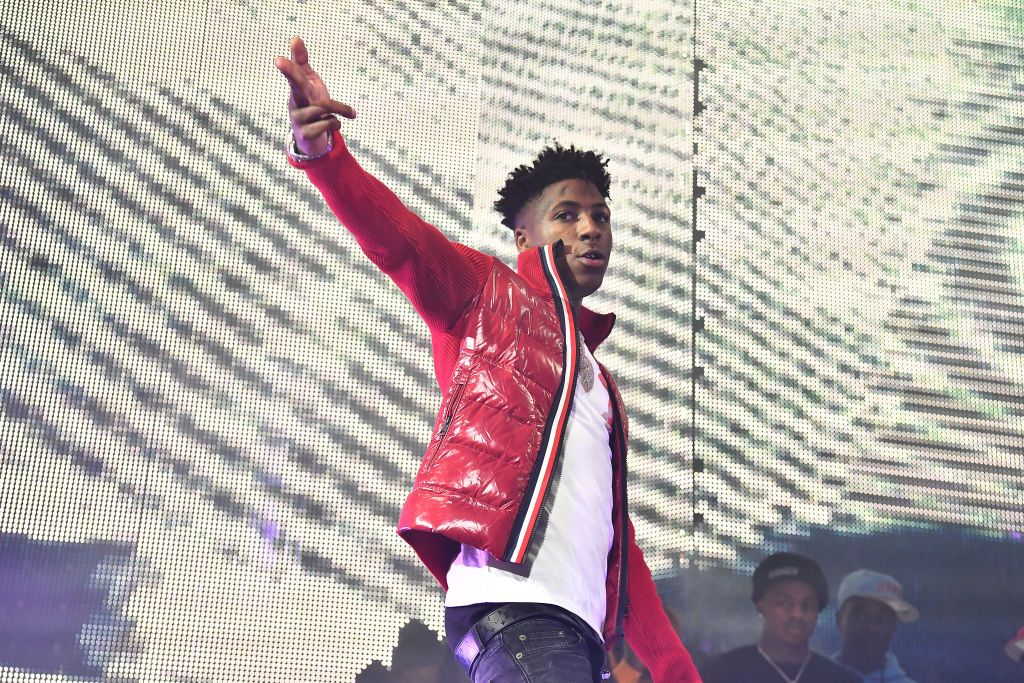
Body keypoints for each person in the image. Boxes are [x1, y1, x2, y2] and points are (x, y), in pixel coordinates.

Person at [274, 37, 700, 683]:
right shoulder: (488, 295)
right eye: (568, 215)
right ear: (525, 235)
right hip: (521, 616)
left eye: (601, 216)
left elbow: (622, 553)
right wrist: (325, 155)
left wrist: (678, 674)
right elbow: (403, 243)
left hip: (572, 637)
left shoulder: (598, 384)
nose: (591, 228)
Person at [700, 552, 859, 683]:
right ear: (760, 606)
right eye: (784, 603)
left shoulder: (841, 679)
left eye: (807, 606)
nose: (797, 614)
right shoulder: (721, 673)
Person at [832, 570, 919, 683]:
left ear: (894, 626)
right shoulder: (811, 677)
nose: (872, 628)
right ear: (839, 620)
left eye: (883, 619)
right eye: (861, 616)